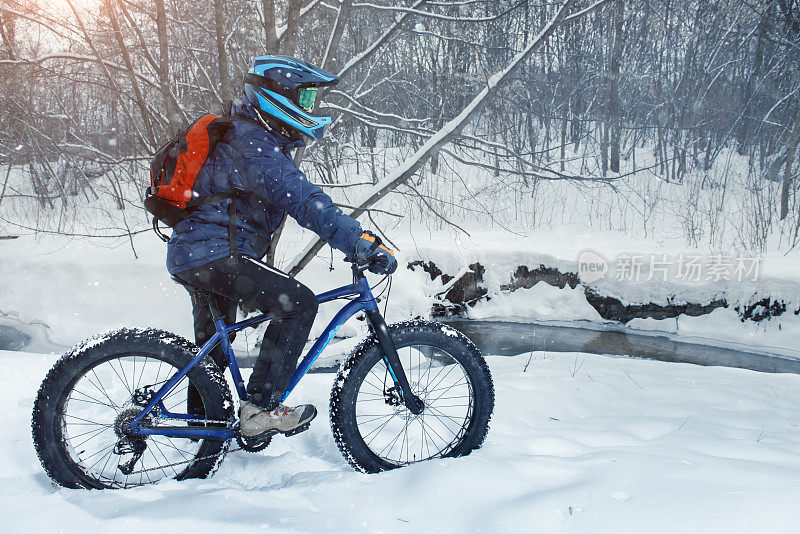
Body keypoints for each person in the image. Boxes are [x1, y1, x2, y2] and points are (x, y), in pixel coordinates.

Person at [166, 56, 397, 438]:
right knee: (297, 305)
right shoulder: (251, 141)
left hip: (198, 253)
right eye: (304, 99)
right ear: (277, 96)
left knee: (213, 352)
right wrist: (358, 241)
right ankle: (260, 410)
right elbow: (304, 200)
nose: (309, 109)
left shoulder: (246, 137)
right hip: (214, 253)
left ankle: (201, 436)